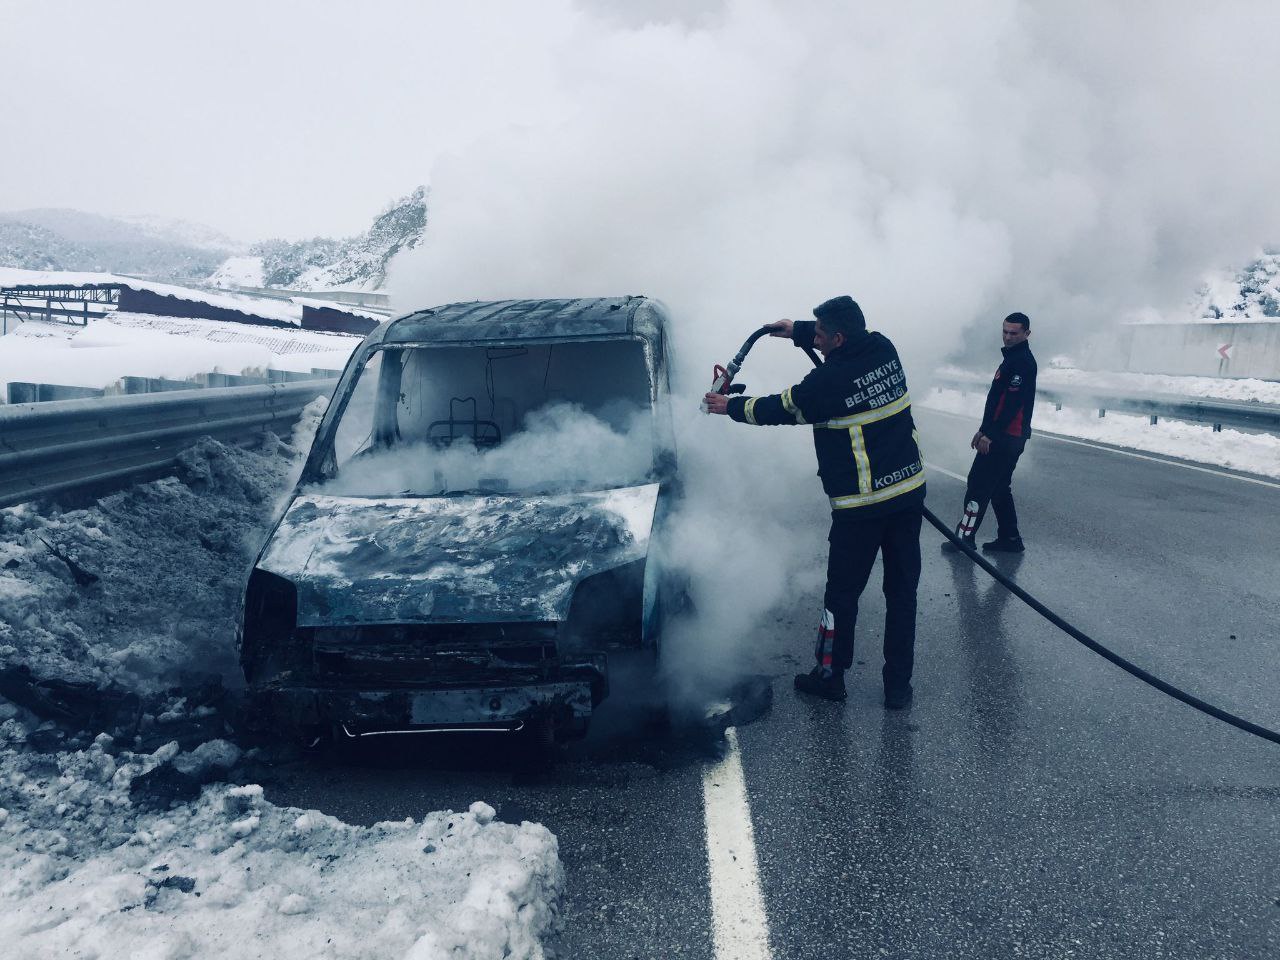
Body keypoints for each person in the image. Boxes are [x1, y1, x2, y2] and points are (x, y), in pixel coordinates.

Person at [703, 295, 925, 708]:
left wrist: (728, 406)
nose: (816, 339)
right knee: (902, 595)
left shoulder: (827, 383)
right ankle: (898, 688)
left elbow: (780, 408)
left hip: (860, 508)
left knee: (841, 597)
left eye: (820, 334)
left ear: (838, 339)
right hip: (908, 496)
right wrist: (798, 330)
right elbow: (841, 345)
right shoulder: (883, 347)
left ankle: (829, 676)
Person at [944, 311, 1037, 554]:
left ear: (1027, 333)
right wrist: (983, 429)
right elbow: (997, 401)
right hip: (1007, 435)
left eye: (1014, 333)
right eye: (1005, 331)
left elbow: (1011, 405)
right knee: (999, 487)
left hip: (1007, 437)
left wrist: (991, 435)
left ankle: (964, 538)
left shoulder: (1022, 362)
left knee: (978, 484)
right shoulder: (1012, 358)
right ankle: (1010, 538)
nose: (1007, 337)